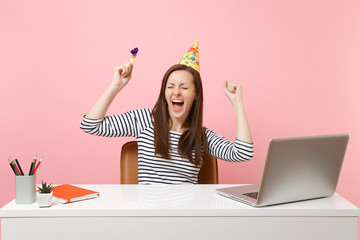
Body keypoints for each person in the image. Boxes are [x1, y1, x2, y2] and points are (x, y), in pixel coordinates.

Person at [80, 41, 253, 184]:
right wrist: (115, 86)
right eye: (170, 87)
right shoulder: (144, 120)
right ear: (164, 92)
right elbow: (90, 125)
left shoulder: (201, 137)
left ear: (195, 95)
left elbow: (243, 152)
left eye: (184, 87)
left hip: (186, 218)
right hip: (150, 216)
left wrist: (238, 104)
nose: (176, 92)